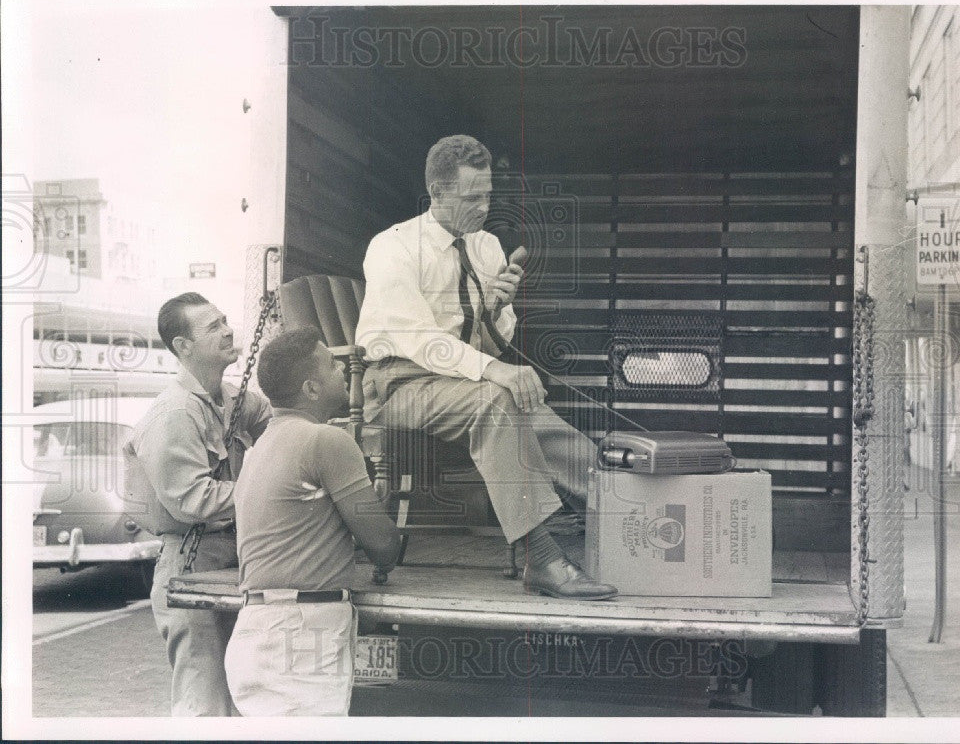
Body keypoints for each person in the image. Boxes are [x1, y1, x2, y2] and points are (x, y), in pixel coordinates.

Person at [355, 134, 617, 600]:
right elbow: (422, 341)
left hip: (460, 385)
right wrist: (497, 372)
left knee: (551, 427)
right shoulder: (392, 247)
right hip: (399, 385)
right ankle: (543, 558)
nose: (483, 206)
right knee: (498, 398)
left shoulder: (487, 247)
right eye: (471, 196)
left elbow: (492, 346)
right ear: (436, 193)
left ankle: (627, 525)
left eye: (488, 195)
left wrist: (496, 310)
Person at [224, 327, 401, 716]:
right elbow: (385, 547)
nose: (344, 370)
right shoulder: (326, 440)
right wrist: (376, 511)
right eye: (333, 364)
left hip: (256, 630)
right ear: (311, 389)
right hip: (300, 635)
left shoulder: (259, 449)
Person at [123, 292, 272, 716]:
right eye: (213, 327)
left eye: (225, 320)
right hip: (190, 564)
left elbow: (282, 426)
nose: (227, 330)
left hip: (235, 559)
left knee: (244, 699)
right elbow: (193, 500)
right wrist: (275, 493)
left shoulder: (233, 399)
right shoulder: (174, 413)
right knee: (204, 705)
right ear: (183, 348)